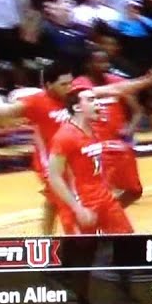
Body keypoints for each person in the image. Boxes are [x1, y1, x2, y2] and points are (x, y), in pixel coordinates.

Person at [0, 59, 152, 234]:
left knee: (60, 202)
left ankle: (59, 240)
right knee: (67, 205)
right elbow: (2, 112)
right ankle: (62, 250)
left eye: (70, 82)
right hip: (51, 164)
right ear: (48, 86)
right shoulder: (35, 102)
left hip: (74, 159)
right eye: (63, 84)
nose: (69, 88)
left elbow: (115, 88)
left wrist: (146, 81)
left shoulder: (76, 94)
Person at [47, 86, 134, 235]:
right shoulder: (64, 136)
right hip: (83, 203)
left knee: (127, 240)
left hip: (104, 198)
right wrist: (77, 208)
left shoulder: (94, 130)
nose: (98, 104)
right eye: (91, 100)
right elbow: (54, 176)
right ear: (77, 107)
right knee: (86, 254)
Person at [71, 48, 144, 207]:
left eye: (106, 61)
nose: (105, 65)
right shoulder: (79, 85)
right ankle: (103, 219)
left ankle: (108, 212)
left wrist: (130, 129)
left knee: (134, 190)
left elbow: (138, 110)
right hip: (95, 145)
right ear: (89, 64)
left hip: (118, 144)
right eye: (99, 61)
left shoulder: (117, 81)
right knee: (100, 188)